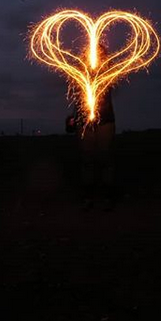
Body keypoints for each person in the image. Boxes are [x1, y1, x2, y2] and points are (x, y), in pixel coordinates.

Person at [66, 47, 116, 210]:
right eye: (89, 52)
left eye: (97, 52)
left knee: (105, 158)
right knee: (87, 160)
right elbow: (77, 100)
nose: (93, 55)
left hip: (105, 120)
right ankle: (88, 196)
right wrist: (74, 119)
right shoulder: (78, 73)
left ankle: (107, 196)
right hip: (83, 122)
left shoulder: (108, 72)